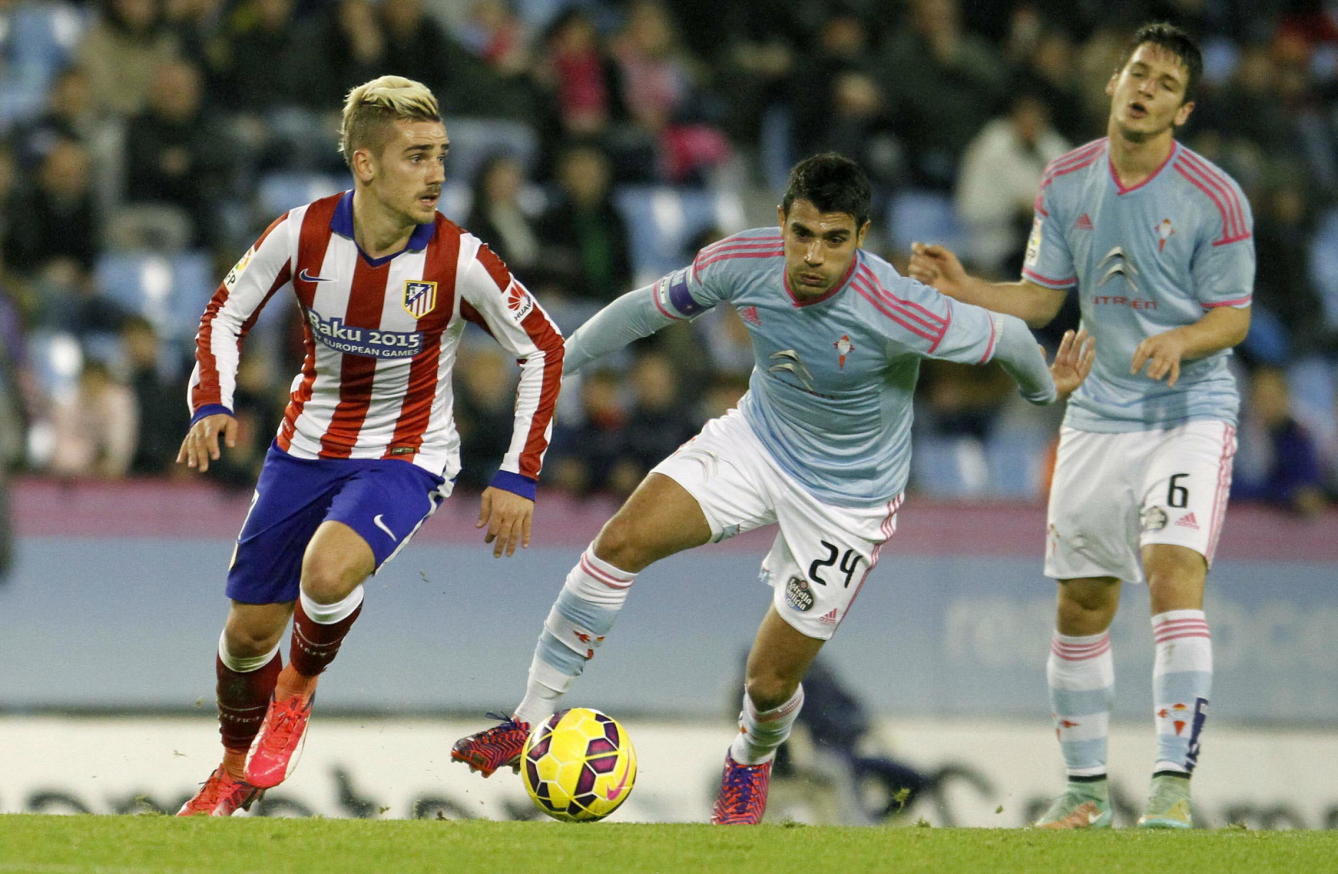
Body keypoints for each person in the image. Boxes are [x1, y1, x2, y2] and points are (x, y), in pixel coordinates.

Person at [450, 152, 1093, 825]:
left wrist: (1045, 388)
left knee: (769, 680)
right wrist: (552, 371)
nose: (815, 255)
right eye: (803, 233)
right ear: (782, 220)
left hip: (849, 501)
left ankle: (751, 760)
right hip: (757, 441)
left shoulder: (900, 307)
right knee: (620, 541)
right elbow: (645, 312)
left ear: (861, 237)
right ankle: (525, 721)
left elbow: (1014, 340)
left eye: (836, 239)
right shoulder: (742, 260)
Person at [174, 75, 564, 816]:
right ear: (365, 164)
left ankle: (297, 692)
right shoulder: (301, 233)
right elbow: (223, 314)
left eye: (442, 155)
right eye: (417, 156)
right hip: (305, 447)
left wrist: (519, 473)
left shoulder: (461, 259)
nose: (438, 173)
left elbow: (543, 347)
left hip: (407, 454)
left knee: (325, 576)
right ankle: (230, 773)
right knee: (247, 634)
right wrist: (212, 402)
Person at [908, 23, 1254, 830]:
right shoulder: (1064, 179)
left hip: (1187, 413)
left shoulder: (1216, 197)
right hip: (1098, 412)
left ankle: (1170, 788)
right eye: (1137, 73)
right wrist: (966, 288)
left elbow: (1234, 318)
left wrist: (1182, 338)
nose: (1145, 89)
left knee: (1173, 578)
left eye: (1165, 84)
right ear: (1112, 83)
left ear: (1184, 109)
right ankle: (1086, 793)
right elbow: (1041, 299)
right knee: (1084, 603)